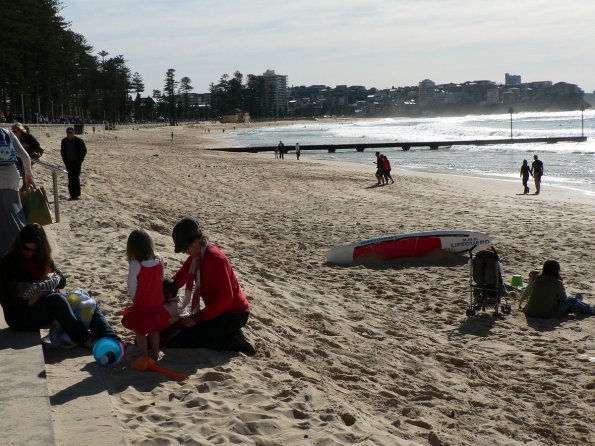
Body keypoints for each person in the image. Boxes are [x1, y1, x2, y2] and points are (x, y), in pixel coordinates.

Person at [0, 223, 118, 345]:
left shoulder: (41, 258)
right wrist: (32, 298)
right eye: (26, 249)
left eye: (34, 250)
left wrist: (50, 279)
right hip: (20, 315)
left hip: (45, 303)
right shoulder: (8, 262)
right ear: (20, 244)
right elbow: (6, 301)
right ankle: (84, 338)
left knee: (84, 299)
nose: (30, 253)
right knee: (57, 300)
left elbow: (62, 281)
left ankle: (113, 339)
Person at [161, 216, 255, 354]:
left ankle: (235, 340)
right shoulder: (197, 257)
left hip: (234, 314)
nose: (184, 252)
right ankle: (224, 332)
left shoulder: (215, 259)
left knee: (184, 340)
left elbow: (226, 297)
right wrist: (168, 289)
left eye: (185, 248)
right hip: (218, 311)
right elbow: (180, 278)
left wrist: (198, 317)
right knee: (183, 332)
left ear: (196, 241)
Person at [121, 229, 171, 361]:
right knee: (154, 329)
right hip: (156, 300)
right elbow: (160, 278)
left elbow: (132, 284)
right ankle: (155, 354)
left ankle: (144, 356)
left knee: (141, 331)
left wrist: (133, 297)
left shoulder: (135, 263)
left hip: (143, 301)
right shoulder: (159, 259)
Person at [0, 127, 33, 256]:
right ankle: (24, 242)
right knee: (14, 211)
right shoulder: (7, 133)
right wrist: (28, 175)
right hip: (12, 175)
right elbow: (25, 157)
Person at [523, 260, 593, 318]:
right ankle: (589, 309)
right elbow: (563, 298)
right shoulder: (557, 283)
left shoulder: (537, 279)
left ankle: (579, 301)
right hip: (548, 314)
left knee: (570, 300)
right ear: (557, 270)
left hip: (530, 311)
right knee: (571, 300)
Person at [60, 127, 87, 200]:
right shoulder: (64, 141)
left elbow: (84, 151)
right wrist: (65, 161)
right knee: (70, 178)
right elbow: (62, 152)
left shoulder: (79, 141)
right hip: (68, 162)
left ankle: (77, 194)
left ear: (74, 133)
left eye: (71, 133)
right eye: (68, 133)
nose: (69, 134)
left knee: (76, 178)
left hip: (76, 162)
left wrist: (80, 160)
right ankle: (72, 195)